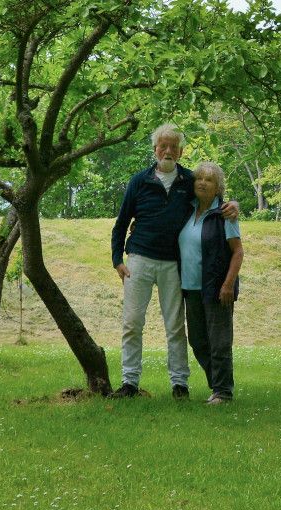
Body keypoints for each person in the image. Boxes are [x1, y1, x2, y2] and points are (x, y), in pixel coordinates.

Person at [108, 124, 236, 399]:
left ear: (180, 151)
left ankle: (180, 384)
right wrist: (117, 259)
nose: (167, 151)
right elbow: (121, 224)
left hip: (172, 264)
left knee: (175, 326)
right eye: (162, 146)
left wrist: (233, 205)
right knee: (132, 322)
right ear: (155, 150)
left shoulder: (189, 181)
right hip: (139, 259)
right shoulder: (138, 182)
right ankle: (130, 382)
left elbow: (213, 199)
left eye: (173, 146)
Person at [180, 162, 242, 404]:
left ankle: (223, 392)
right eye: (199, 178)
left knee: (219, 342)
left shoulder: (225, 213)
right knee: (197, 341)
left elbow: (237, 252)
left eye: (209, 180)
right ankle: (216, 386)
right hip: (190, 288)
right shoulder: (187, 210)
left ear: (218, 188)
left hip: (217, 287)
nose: (202, 183)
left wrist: (228, 284)